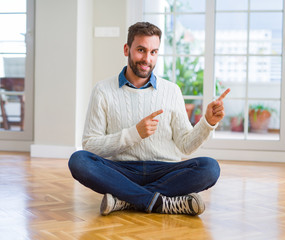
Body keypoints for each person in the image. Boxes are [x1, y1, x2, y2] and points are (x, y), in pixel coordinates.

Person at [68, 22, 230, 216]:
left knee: (210, 167)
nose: (147, 59)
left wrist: (208, 123)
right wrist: (134, 134)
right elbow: (90, 145)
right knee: (79, 161)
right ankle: (161, 201)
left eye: (153, 52)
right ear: (127, 49)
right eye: (141, 50)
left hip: (165, 170)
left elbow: (185, 145)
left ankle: (125, 200)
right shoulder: (103, 90)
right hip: (122, 171)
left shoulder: (171, 91)